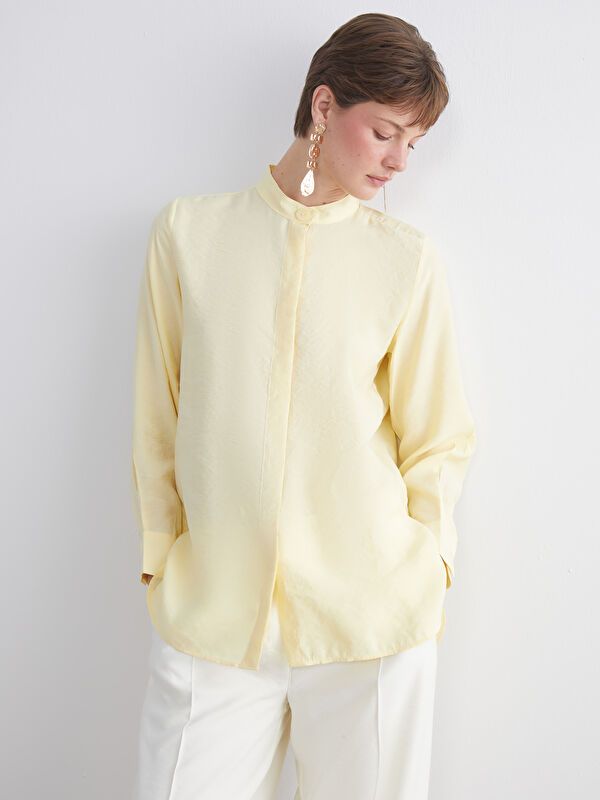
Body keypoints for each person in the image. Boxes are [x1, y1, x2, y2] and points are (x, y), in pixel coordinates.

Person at [130, 11, 477, 800]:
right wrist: (160, 555)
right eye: (385, 132)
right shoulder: (188, 234)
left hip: (371, 619)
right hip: (213, 614)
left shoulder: (406, 261)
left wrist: (430, 564)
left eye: (415, 142)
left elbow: (438, 436)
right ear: (324, 105)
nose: (399, 160)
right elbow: (158, 415)